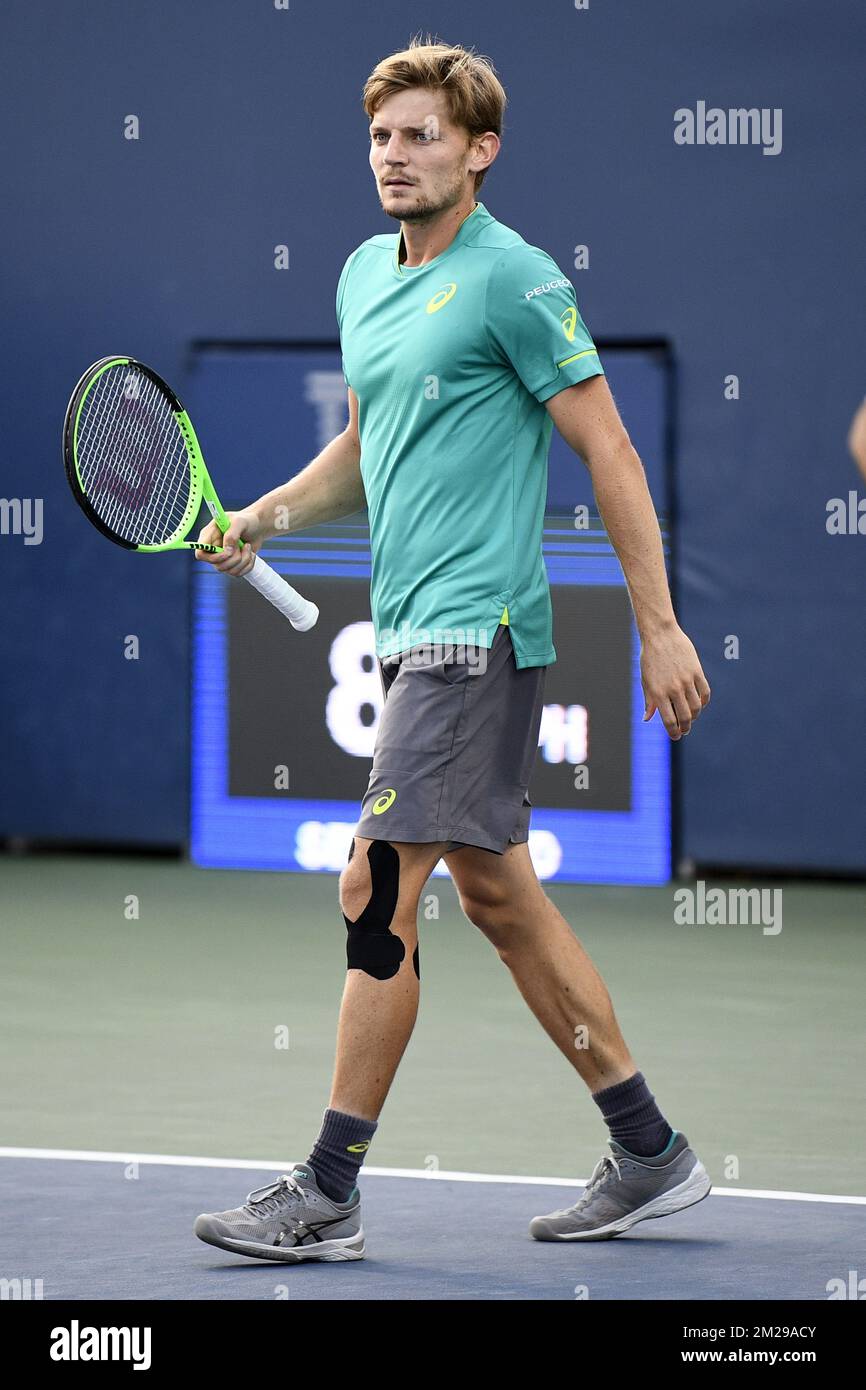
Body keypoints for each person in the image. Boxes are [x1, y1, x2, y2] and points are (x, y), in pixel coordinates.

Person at [193, 39, 712, 1264]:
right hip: (412, 629)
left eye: (421, 134)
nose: (393, 153)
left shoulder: (514, 280)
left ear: (478, 151)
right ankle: (648, 1149)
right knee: (498, 894)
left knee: (374, 888)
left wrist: (657, 623)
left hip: (476, 631)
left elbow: (611, 454)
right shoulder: (364, 276)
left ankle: (326, 1188)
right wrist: (260, 517)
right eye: (380, 134)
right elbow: (366, 452)